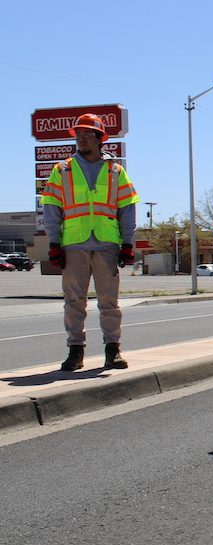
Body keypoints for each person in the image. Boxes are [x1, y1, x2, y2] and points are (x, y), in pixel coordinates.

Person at [41, 113, 139, 371]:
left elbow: (127, 208)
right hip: (73, 244)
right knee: (74, 301)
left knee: (109, 301)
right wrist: (53, 243)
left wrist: (127, 243)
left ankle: (112, 351)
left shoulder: (116, 171)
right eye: (78, 134)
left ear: (99, 138)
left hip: (107, 244)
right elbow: (51, 208)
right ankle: (75, 351)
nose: (82, 138)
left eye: (87, 133)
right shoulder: (61, 170)